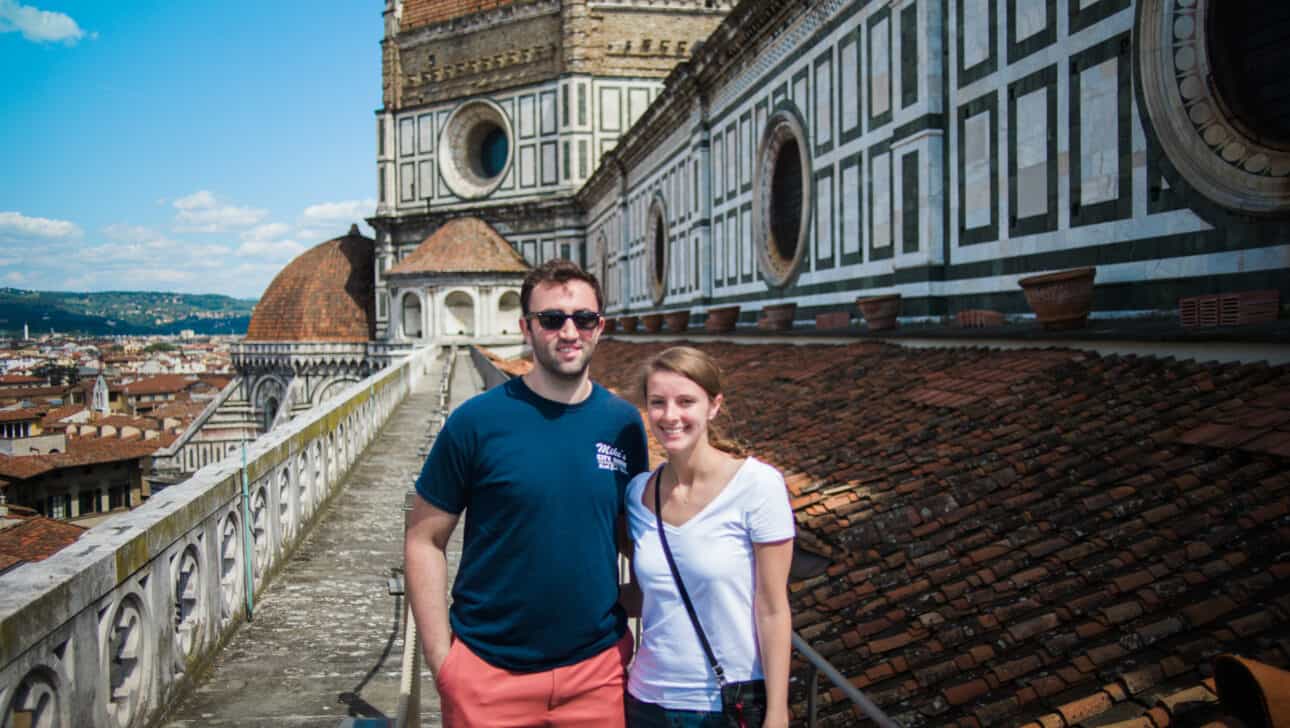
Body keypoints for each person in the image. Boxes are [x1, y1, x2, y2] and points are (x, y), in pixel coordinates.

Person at [404, 259, 649, 727]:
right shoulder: (476, 422)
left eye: (584, 318)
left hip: (597, 676)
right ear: (526, 328)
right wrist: (444, 663)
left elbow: (630, 538)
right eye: (552, 319)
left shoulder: (623, 425)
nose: (569, 331)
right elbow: (423, 539)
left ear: (601, 327)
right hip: (488, 677)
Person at [625, 346, 795, 728]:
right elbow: (649, 591)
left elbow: (772, 608)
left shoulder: (758, 485)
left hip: (726, 704)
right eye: (657, 402)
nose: (670, 416)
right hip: (645, 700)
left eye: (686, 401)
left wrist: (777, 712)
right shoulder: (638, 494)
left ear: (714, 406)